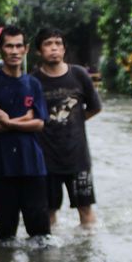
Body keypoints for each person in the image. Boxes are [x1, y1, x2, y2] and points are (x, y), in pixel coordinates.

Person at [0, 25, 50, 243]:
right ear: (0, 49)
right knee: (5, 239)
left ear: (26, 49)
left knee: (41, 238)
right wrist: (24, 119)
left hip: (33, 168)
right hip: (1, 169)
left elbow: (39, 124)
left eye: (19, 46)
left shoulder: (34, 84)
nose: (14, 51)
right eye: (9, 46)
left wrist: (6, 121)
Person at [31, 28, 102, 226]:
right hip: (46, 160)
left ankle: (86, 252)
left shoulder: (79, 74)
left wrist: (76, 121)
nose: (54, 48)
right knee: (49, 211)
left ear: (63, 49)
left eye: (58, 43)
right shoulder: (33, 81)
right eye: (48, 44)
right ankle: (50, 255)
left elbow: (95, 107)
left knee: (85, 209)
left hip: (78, 158)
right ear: (39, 51)